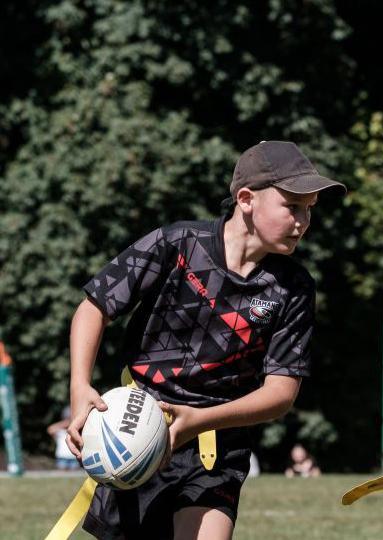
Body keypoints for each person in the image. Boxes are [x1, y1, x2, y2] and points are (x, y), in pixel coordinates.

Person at [65, 141, 344, 539]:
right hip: (136, 426)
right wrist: (80, 386)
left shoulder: (293, 288)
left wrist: (199, 421)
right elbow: (94, 307)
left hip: (216, 445)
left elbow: (281, 392)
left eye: (310, 210)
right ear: (246, 199)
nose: (303, 221)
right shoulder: (176, 244)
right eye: (292, 206)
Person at [47, 406, 80, 471]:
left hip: (74, 456)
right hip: (62, 456)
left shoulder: (76, 430)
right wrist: (65, 423)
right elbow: (50, 429)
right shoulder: (59, 431)